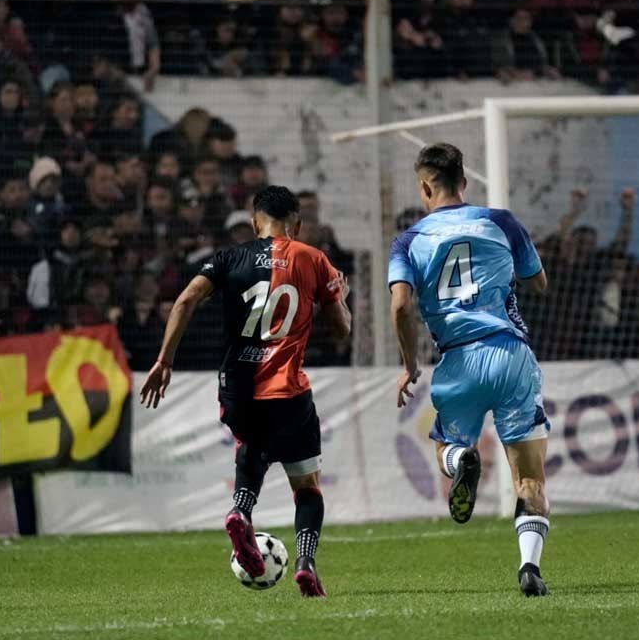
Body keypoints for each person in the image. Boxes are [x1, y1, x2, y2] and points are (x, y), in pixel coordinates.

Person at [139, 185, 351, 598]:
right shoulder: (314, 259)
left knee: (250, 445)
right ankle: (306, 562)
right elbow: (342, 331)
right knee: (306, 486)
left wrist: (164, 361)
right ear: (298, 223)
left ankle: (241, 510)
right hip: (288, 392)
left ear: (255, 223)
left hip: (236, 388)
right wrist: (338, 296)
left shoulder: (227, 258)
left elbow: (183, 302)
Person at [388, 143, 552, 597]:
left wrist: (408, 364)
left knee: (445, 442)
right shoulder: (500, 221)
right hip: (509, 352)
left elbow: (401, 304)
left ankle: (461, 459)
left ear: (425, 186)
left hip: (457, 357)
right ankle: (528, 567)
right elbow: (539, 282)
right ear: (465, 181)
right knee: (530, 476)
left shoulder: (408, 241)